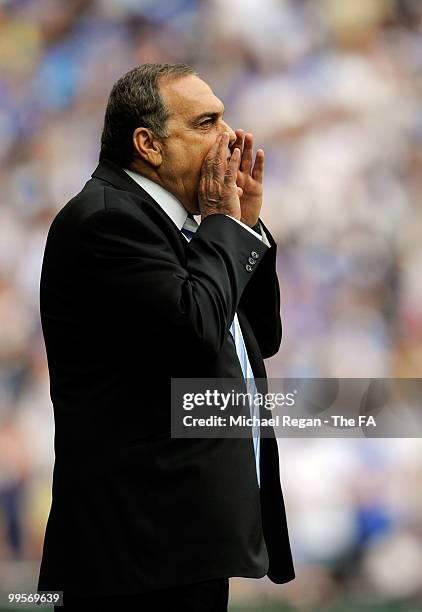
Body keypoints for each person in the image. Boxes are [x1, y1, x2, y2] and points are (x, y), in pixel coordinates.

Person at [37, 63, 295, 611]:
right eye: (207, 123)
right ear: (148, 144)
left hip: (181, 546)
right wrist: (225, 226)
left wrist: (245, 222)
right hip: (136, 556)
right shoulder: (106, 221)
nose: (230, 138)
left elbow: (258, 337)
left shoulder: (177, 222)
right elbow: (196, 335)